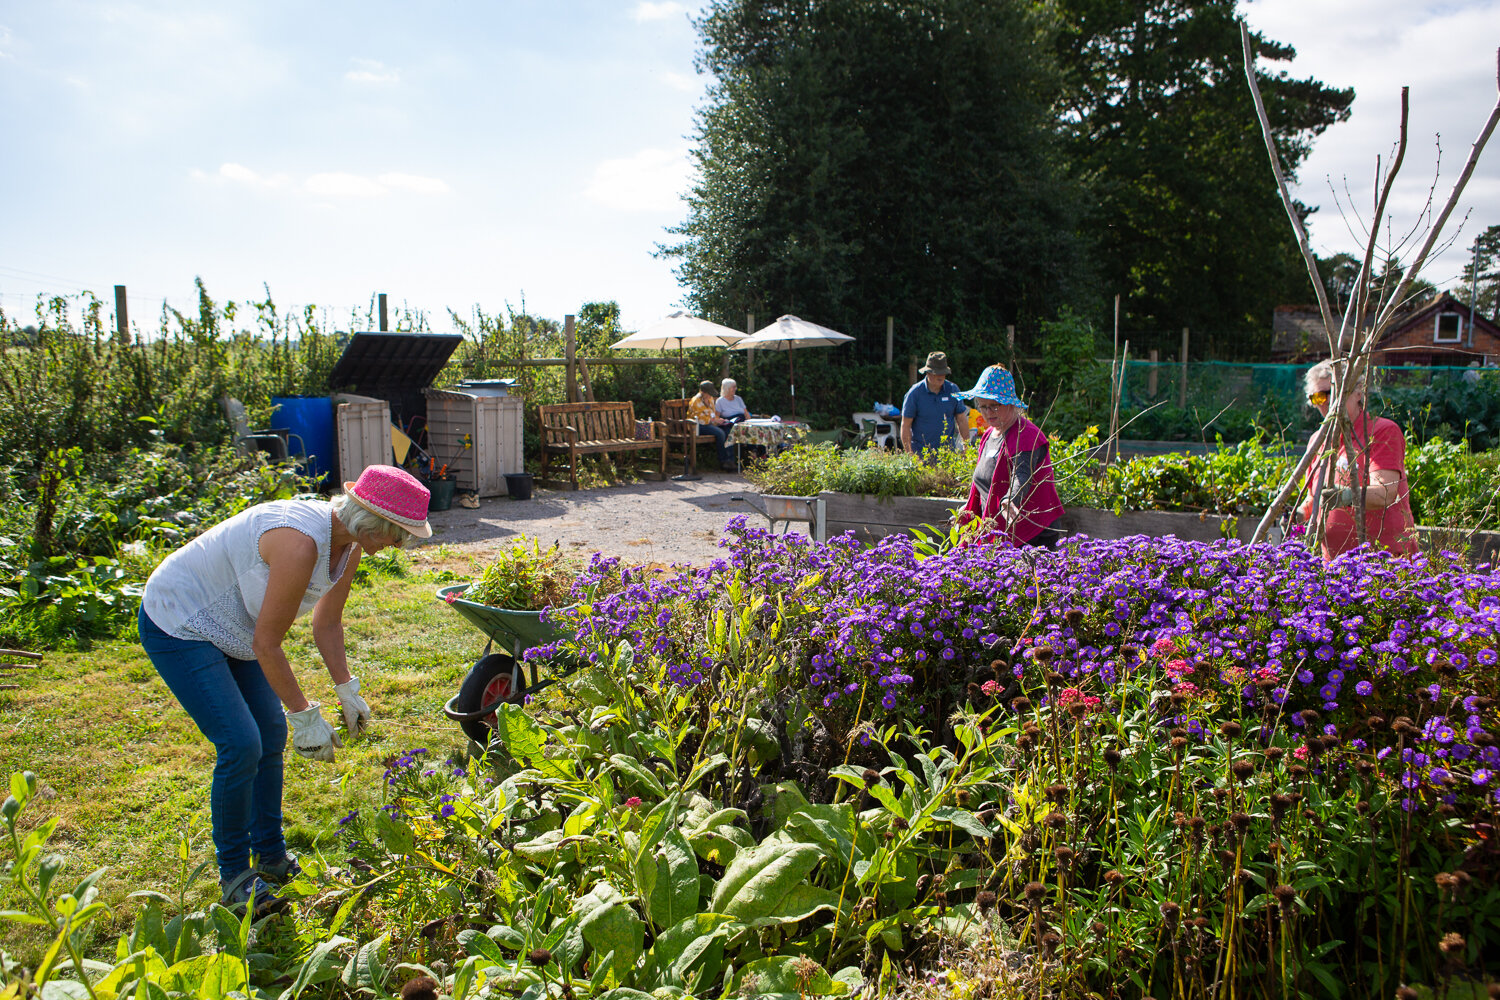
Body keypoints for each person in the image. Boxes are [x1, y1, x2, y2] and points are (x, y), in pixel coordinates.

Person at [137, 465, 432, 915]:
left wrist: (346, 688)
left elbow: (326, 621)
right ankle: (236, 875)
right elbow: (267, 643)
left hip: (238, 629)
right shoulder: (299, 543)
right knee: (240, 743)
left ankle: (272, 856)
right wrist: (305, 715)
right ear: (374, 523)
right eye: (398, 535)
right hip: (182, 620)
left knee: (269, 735)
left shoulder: (346, 545)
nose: (399, 545)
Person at [1297, 361, 1418, 560]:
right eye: (1318, 397)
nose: (1327, 402)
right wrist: (1299, 515)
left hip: (1383, 564)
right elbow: (1314, 499)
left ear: (1358, 393)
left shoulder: (1381, 432)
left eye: (1335, 393)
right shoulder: (1318, 441)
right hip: (1334, 567)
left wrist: (1344, 496)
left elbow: (1385, 494)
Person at [954, 365, 1064, 547]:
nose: (988, 412)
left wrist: (1011, 499)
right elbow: (981, 483)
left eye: (995, 406)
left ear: (1011, 404)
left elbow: (1022, 474)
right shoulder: (989, 435)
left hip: (1031, 534)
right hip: (1000, 531)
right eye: (983, 406)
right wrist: (968, 511)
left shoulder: (1026, 434)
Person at [901, 351, 970, 454]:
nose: (941, 376)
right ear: (928, 373)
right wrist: (910, 454)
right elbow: (905, 425)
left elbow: (961, 420)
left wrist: (966, 448)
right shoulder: (914, 393)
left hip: (947, 455)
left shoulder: (953, 389)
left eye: (943, 372)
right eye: (937, 372)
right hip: (921, 454)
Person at [688, 379, 737, 471]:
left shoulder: (710, 399)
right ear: (703, 392)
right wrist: (714, 420)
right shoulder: (695, 401)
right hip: (698, 427)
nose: (710, 395)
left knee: (728, 430)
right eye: (708, 393)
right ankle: (723, 462)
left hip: (710, 424)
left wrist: (719, 420)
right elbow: (700, 420)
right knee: (720, 433)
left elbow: (712, 414)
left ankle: (730, 461)